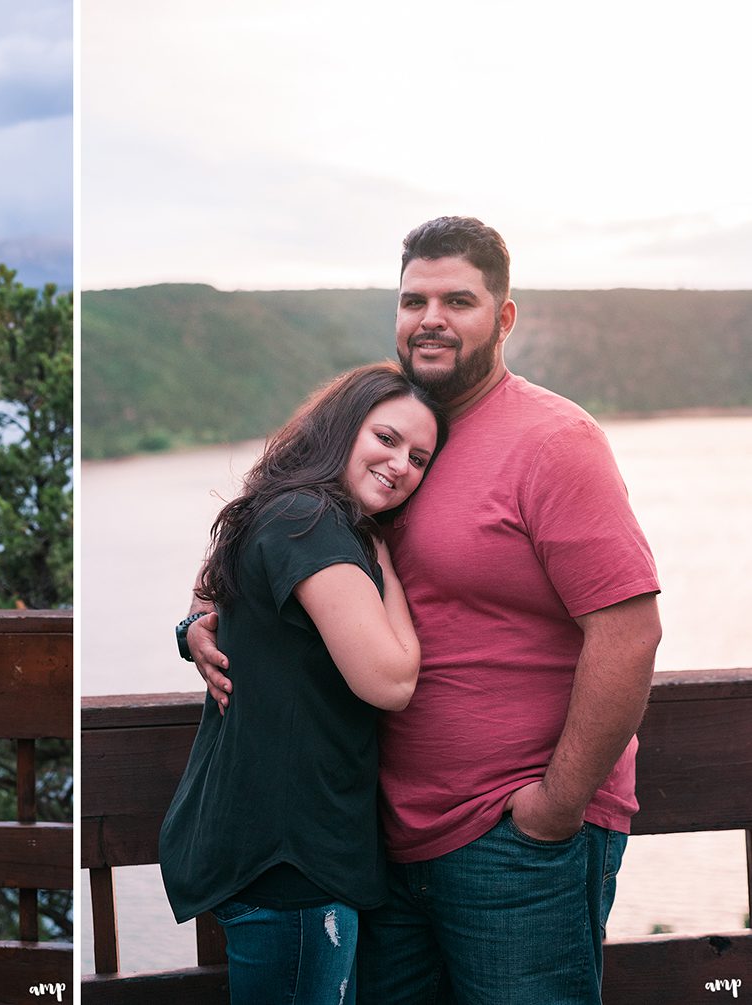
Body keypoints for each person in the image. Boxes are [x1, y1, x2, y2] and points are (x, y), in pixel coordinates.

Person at [185, 217, 662, 1004]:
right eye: (414, 300)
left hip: (515, 846)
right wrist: (197, 618)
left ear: (503, 318)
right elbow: (271, 535)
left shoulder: (554, 441)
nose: (430, 318)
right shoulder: (391, 429)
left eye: (458, 300)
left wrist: (554, 808)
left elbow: (629, 629)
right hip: (384, 841)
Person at [160, 362, 446, 1003]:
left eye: (419, 457)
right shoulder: (310, 521)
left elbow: (205, 596)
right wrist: (386, 565)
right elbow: (391, 682)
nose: (401, 464)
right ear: (344, 429)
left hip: (275, 850)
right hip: (291, 862)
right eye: (387, 438)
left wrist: (193, 629)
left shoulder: (283, 509)